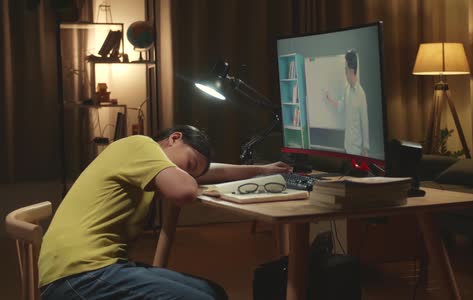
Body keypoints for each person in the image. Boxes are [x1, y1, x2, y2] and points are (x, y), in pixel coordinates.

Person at [39, 125, 291, 300]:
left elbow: (213, 172)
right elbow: (184, 191)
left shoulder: (145, 164)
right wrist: (192, 179)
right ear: (174, 138)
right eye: (190, 165)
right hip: (77, 276)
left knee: (214, 293)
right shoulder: (140, 145)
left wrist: (261, 170)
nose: (188, 174)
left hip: (94, 269)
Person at [325, 49, 370, 156]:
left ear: (350, 70)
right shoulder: (347, 89)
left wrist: (366, 148)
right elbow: (341, 106)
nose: (344, 71)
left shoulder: (361, 94)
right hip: (346, 146)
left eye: (345, 68)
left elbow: (365, 122)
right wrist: (329, 98)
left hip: (357, 150)